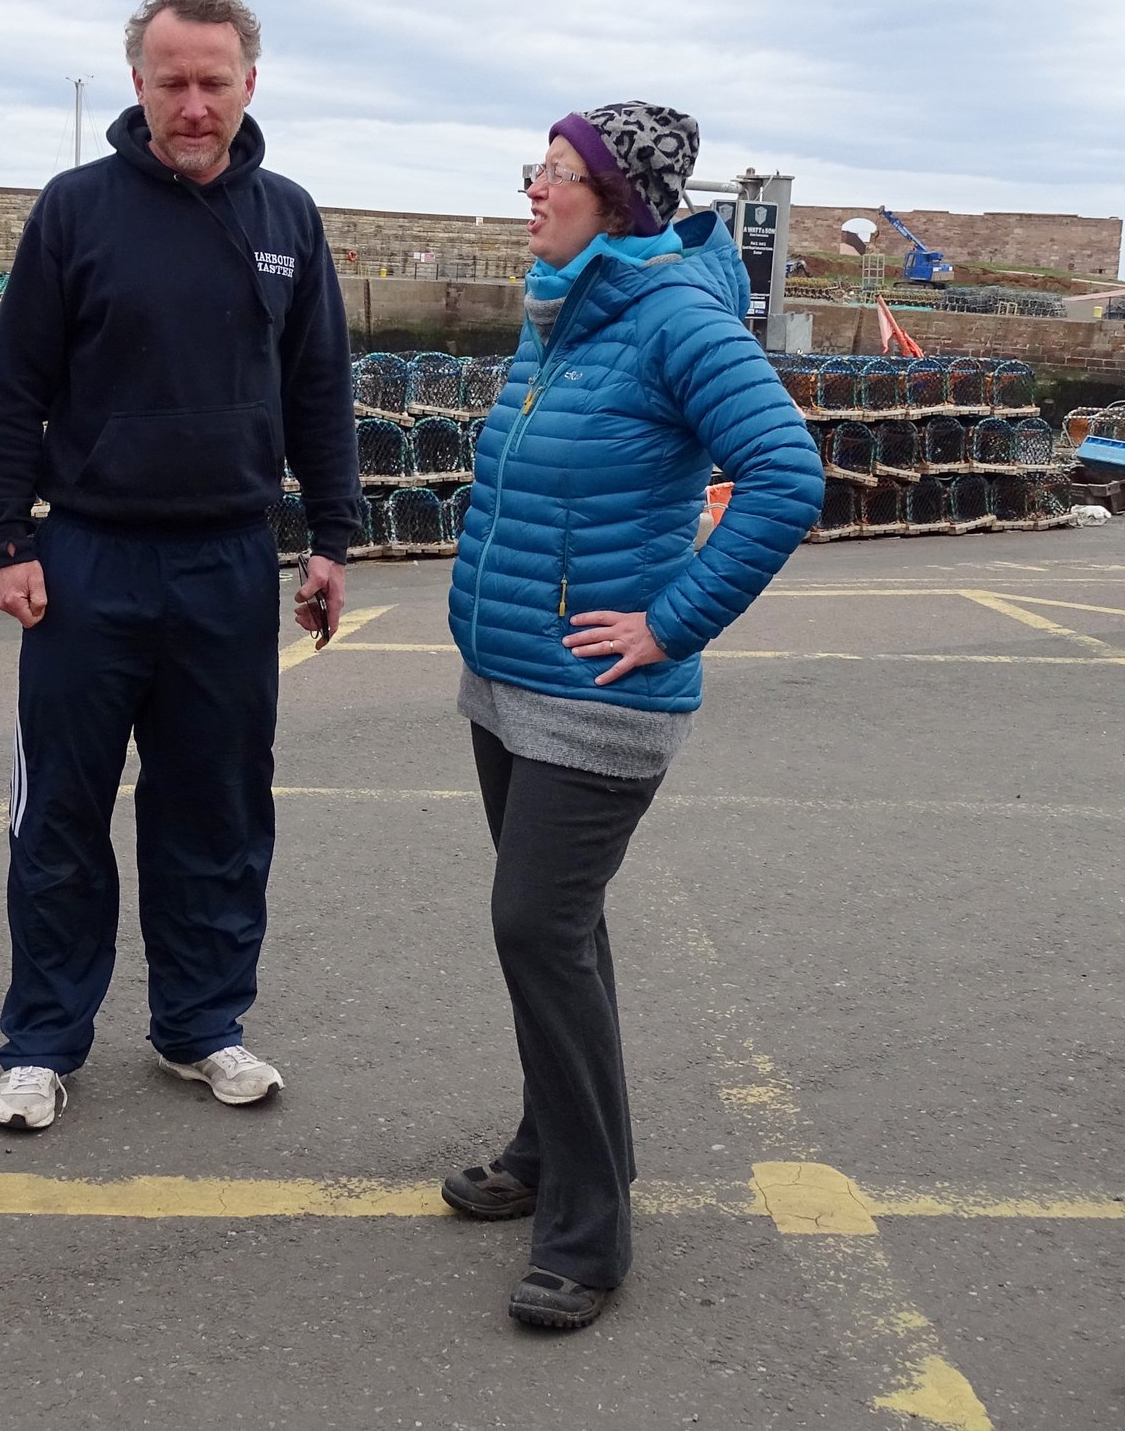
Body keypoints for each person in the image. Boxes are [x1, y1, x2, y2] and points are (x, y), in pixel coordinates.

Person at [441, 103, 824, 1330]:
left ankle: (588, 1230)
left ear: (617, 199)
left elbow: (787, 475)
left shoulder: (674, 317)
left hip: (597, 697)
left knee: (534, 926)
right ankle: (545, 1147)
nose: (532, 191)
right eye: (537, 168)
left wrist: (669, 622)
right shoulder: (559, 309)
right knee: (556, 935)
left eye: (555, 173)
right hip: (508, 678)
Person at [0, 0, 362, 1131]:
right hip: (86, 557)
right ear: (137, 82)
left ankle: (202, 1025)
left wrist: (330, 537)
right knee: (60, 815)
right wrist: (5, 536)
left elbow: (319, 388)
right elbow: (14, 384)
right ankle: (42, 1041)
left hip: (228, 562)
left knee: (217, 811)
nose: (193, 105)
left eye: (213, 82)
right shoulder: (75, 209)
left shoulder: (286, 218)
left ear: (249, 82)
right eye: (172, 81)